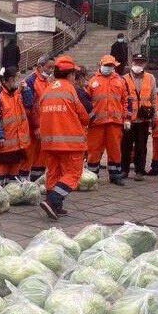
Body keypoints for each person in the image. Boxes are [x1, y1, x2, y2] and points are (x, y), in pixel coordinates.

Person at [37, 55, 91, 220]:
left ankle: (54, 206)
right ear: (71, 74)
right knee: (72, 174)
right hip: (70, 143)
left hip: (49, 143)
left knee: (54, 173)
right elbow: (83, 116)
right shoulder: (70, 90)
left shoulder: (47, 89)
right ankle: (53, 201)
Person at [86, 54, 132, 185]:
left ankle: (115, 175)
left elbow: (127, 101)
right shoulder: (92, 81)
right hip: (96, 123)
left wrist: (127, 118)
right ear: (100, 65)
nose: (109, 68)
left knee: (115, 149)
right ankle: (92, 176)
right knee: (94, 150)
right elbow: (86, 101)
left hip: (115, 122)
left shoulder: (121, 81)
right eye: (106, 65)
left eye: (111, 66)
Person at [0, 66, 35, 183]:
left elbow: (29, 104)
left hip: (17, 143)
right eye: (15, 79)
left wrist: (27, 90)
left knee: (13, 174)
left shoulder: (18, 93)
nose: (17, 82)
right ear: (6, 80)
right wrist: (0, 136)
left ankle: (11, 197)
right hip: (3, 143)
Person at [121, 53, 156, 181]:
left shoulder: (150, 78)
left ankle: (139, 170)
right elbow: (121, 99)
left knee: (141, 146)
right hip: (128, 119)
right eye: (136, 62)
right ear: (132, 63)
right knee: (125, 146)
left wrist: (155, 117)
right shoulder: (124, 78)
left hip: (143, 118)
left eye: (141, 62)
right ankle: (124, 170)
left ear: (145, 64)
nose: (138, 65)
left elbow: (153, 98)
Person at [24, 56, 55, 181]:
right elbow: (31, 106)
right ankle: (24, 182)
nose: (51, 70)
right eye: (49, 67)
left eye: (53, 67)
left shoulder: (48, 81)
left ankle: (37, 182)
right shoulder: (31, 81)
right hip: (33, 127)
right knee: (29, 156)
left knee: (41, 157)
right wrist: (36, 126)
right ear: (40, 67)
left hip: (44, 125)